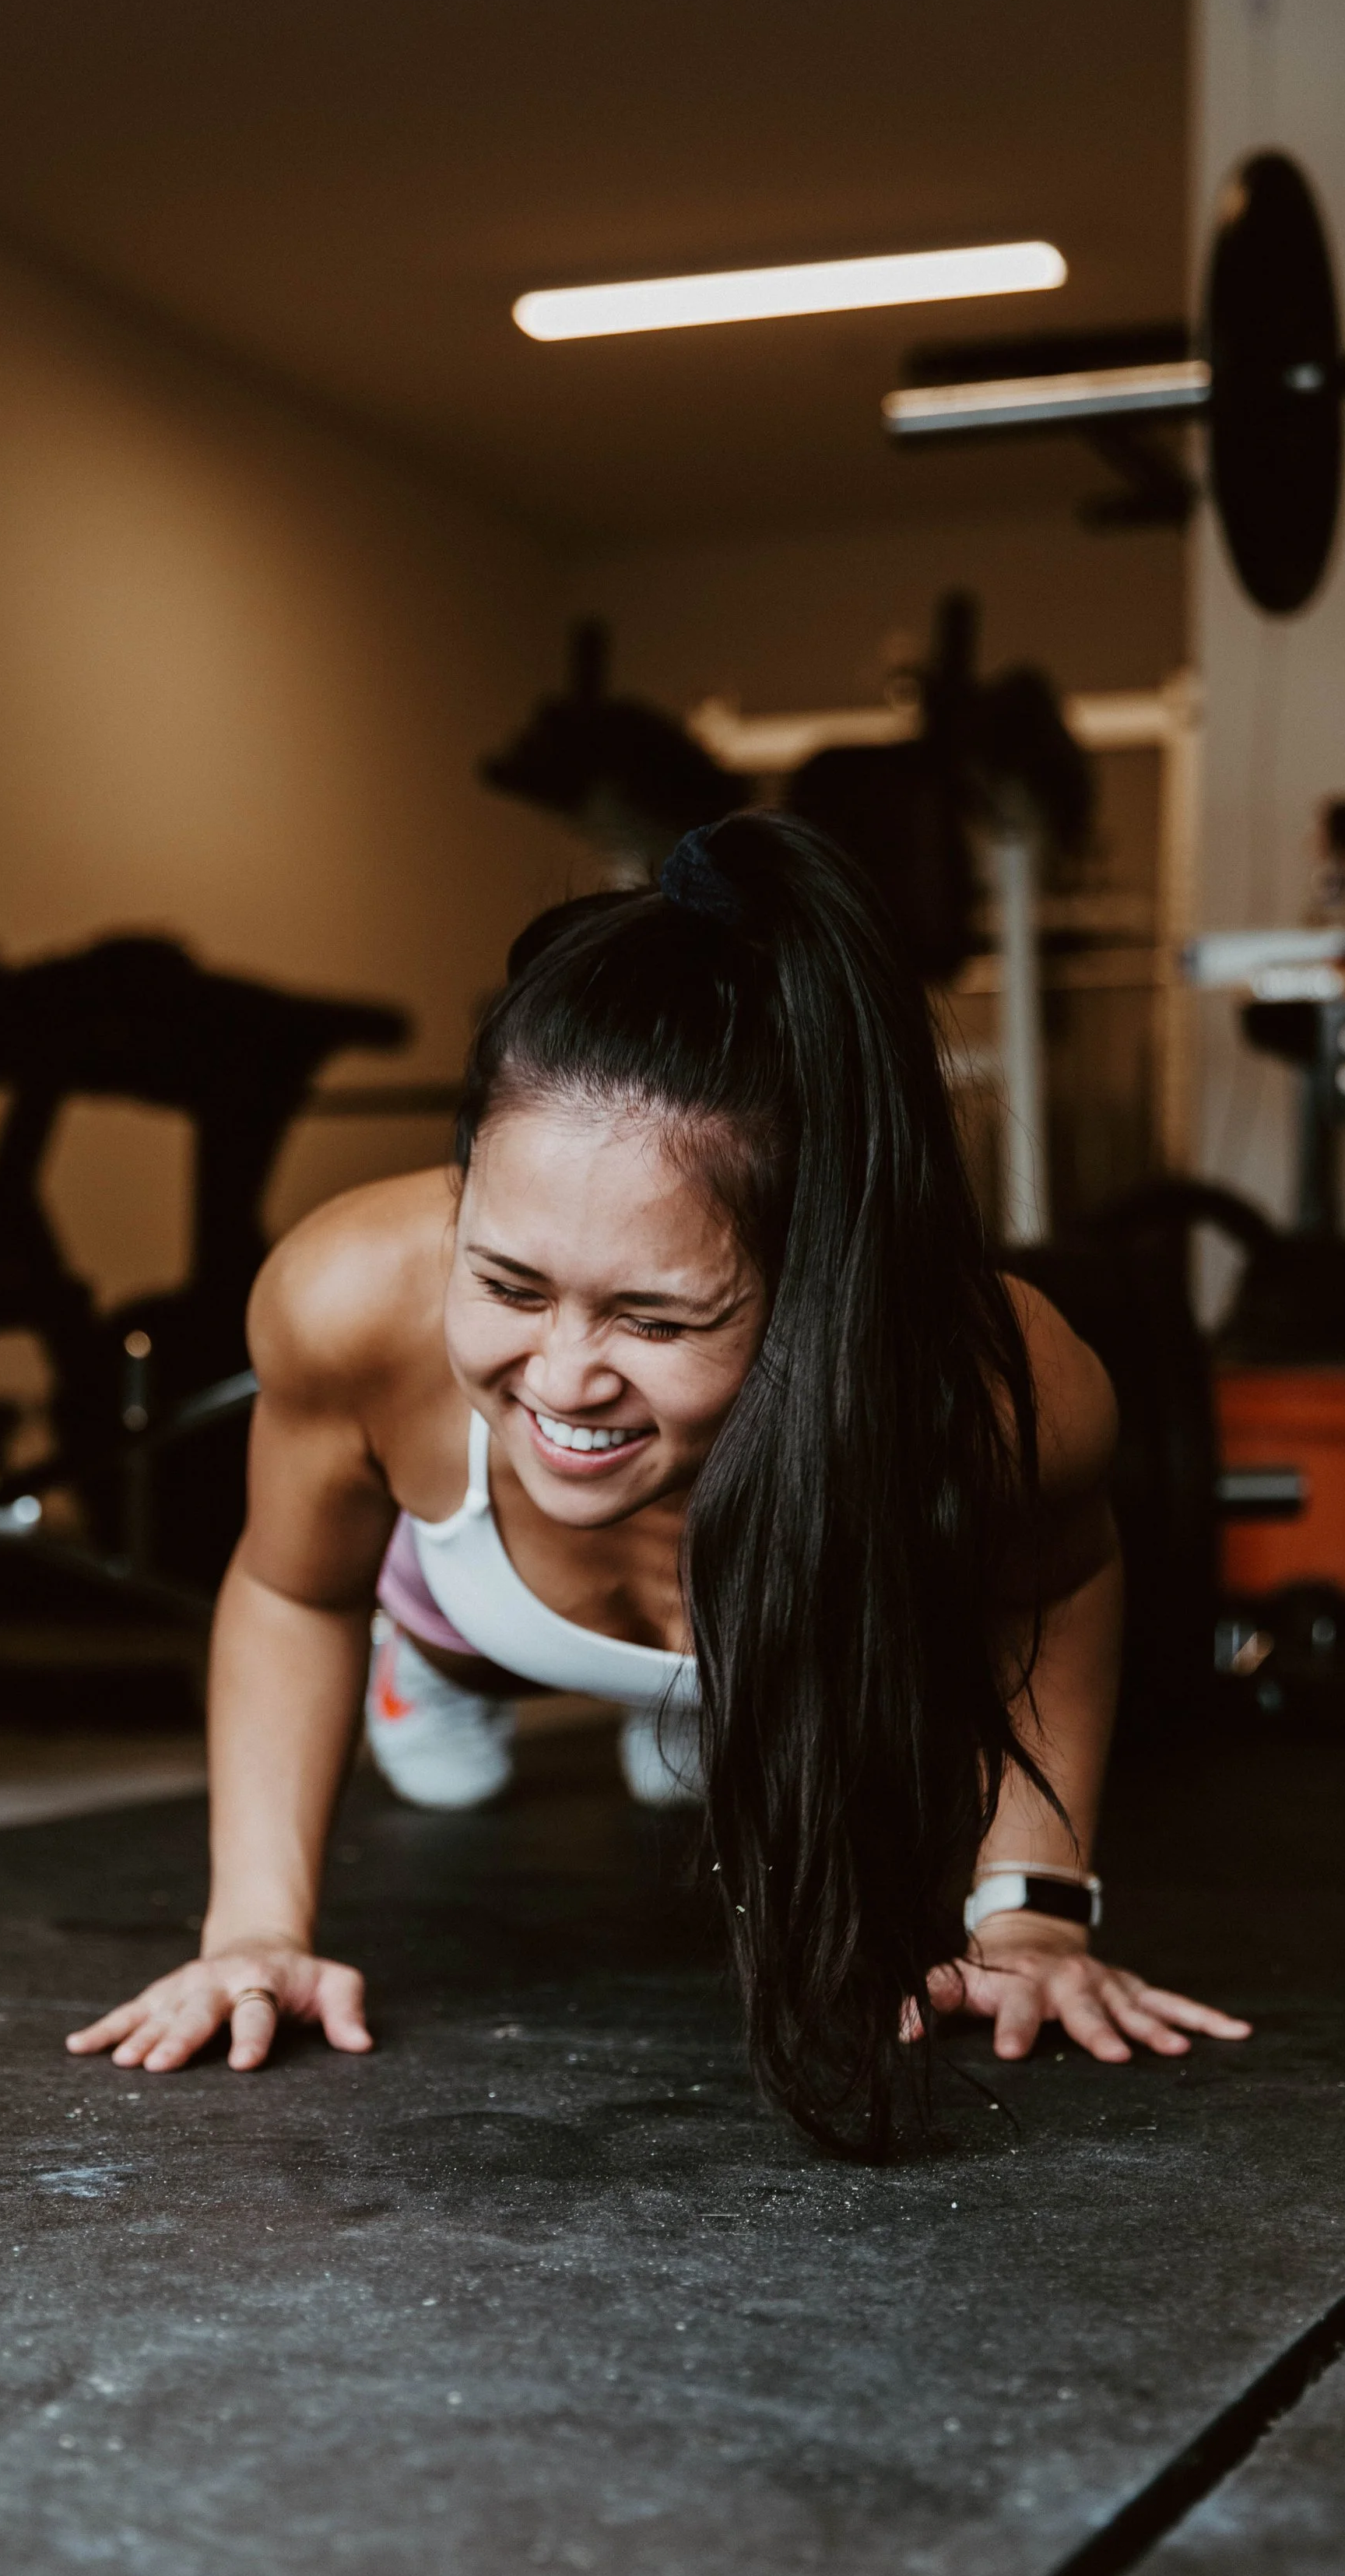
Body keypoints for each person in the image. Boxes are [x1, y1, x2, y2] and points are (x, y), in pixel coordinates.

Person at [69, 815, 1248, 2155]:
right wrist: (256, 1932)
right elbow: (291, 1588)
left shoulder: (990, 1387)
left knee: (716, 1735)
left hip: (767, 1627)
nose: (565, 1376)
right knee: (446, 1760)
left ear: (814, 1283)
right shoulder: (350, 1299)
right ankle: (444, 1665)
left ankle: (686, 1713)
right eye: (508, 1284)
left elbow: (1062, 1577)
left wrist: (1030, 1910)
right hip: (463, 1605)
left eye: (656, 1319)